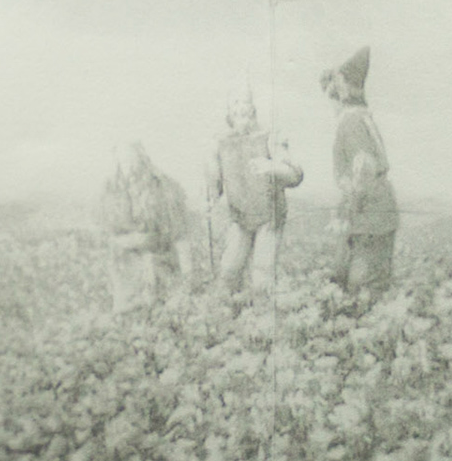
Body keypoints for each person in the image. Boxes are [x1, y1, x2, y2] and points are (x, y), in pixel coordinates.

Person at [206, 88, 303, 296]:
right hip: (240, 215)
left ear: (253, 109)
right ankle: (229, 311)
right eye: (235, 104)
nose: (240, 108)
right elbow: (215, 183)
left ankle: (262, 312)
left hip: (270, 216)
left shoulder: (269, 136)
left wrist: (272, 166)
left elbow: (295, 175)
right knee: (229, 270)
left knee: (262, 273)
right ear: (229, 112)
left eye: (245, 104)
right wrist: (211, 194)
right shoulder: (220, 142)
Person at [321, 46, 397, 298]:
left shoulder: (350, 122)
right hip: (374, 212)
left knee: (360, 286)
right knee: (345, 275)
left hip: (370, 215)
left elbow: (363, 169)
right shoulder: (362, 118)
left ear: (338, 96)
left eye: (330, 96)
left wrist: (345, 212)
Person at [98, 142, 192, 315]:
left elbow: (179, 234)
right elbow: (109, 230)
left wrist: (187, 277)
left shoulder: (161, 187)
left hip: (159, 256)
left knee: (156, 297)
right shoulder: (111, 190)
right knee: (127, 305)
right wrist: (127, 241)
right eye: (124, 162)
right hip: (125, 259)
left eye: (132, 160)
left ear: (142, 160)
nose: (129, 167)